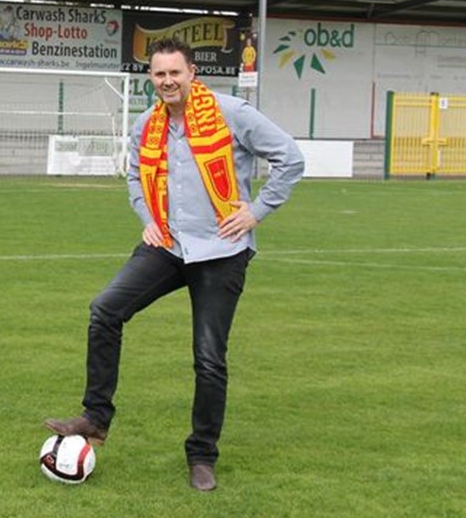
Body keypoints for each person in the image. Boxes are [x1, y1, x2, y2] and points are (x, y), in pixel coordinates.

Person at [45, 36, 304, 492]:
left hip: (221, 252)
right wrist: (146, 218)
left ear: (191, 74)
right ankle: (96, 417)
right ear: (152, 78)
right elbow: (133, 176)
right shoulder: (147, 123)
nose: (168, 81)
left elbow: (290, 158)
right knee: (105, 310)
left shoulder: (232, 113)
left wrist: (255, 211)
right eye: (160, 74)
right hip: (166, 244)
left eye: (175, 73)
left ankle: (202, 455)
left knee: (208, 359)